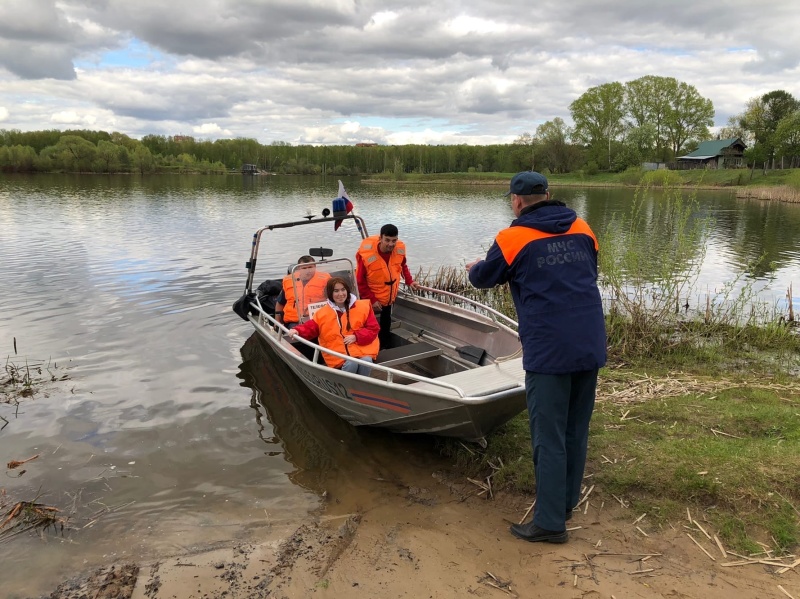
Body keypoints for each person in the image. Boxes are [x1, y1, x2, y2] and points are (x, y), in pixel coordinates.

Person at [466, 171, 606, 544]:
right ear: (549, 194)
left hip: (549, 349)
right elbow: (587, 272)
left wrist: (473, 268)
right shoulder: (582, 226)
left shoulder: (512, 237)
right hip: (589, 342)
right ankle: (563, 505)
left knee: (548, 435)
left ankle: (548, 523)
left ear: (515, 201)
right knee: (575, 430)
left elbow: (484, 278)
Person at [287, 277, 380, 376]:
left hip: (362, 349)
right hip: (339, 354)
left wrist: (356, 336)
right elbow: (310, 327)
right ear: (330, 293)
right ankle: (350, 387)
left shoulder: (363, 307)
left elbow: (373, 329)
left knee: (367, 361)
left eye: (343, 289)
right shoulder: (322, 313)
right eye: (336, 291)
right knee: (351, 364)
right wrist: (297, 330)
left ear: (347, 290)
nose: (340, 294)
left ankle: (362, 387)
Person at [356, 223, 420, 348]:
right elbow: (360, 281)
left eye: (394, 240)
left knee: (386, 324)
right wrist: (372, 299)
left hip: (388, 297)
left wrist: (409, 281)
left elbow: (403, 266)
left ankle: (385, 346)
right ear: (380, 238)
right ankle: (368, 350)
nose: (391, 244)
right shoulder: (366, 255)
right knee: (369, 327)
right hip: (370, 299)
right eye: (387, 240)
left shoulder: (399, 250)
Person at [275, 256, 330, 328]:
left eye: (310, 267)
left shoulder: (325, 280)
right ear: (299, 269)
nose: (308, 270)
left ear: (315, 267)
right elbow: (280, 302)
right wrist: (277, 321)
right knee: (297, 334)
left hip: (319, 319)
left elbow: (334, 300)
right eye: (304, 268)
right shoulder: (289, 281)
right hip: (295, 322)